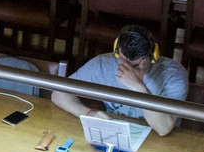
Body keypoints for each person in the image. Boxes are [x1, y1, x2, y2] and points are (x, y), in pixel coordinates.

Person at [50, 24, 188, 137]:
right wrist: (87, 113)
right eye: (122, 60)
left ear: (153, 56)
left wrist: (139, 88)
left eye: (135, 65)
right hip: (116, 135)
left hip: (159, 141)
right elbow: (58, 93)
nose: (127, 68)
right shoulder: (102, 64)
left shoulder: (173, 76)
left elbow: (163, 129)